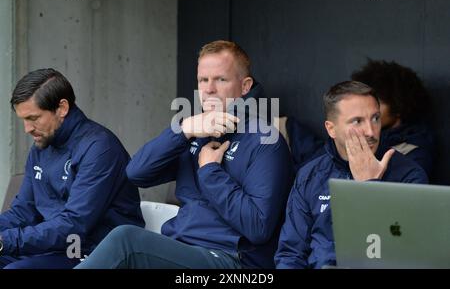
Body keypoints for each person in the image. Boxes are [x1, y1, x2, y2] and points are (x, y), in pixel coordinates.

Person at [76, 40, 294, 269]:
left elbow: (258, 227)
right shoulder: (194, 131)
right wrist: (184, 129)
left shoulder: (265, 140)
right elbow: (136, 173)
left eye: (221, 79)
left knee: (126, 241)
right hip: (181, 247)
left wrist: (210, 172)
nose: (209, 89)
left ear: (245, 85)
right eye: (203, 80)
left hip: (233, 260)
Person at [275, 81, 428, 269]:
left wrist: (369, 187)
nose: (371, 131)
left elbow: (404, 252)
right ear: (331, 129)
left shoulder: (408, 174)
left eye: (375, 118)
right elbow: (291, 253)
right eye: (357, 121)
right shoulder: (311, 175)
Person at [0, 69, 144, 269]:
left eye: (33, 118)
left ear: (62, 108)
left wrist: (6, 241)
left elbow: (74, 225)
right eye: (23, 120)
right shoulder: (41, 146)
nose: (27, 129)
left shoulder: (100, 148)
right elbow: (23, 211)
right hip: (54, 248)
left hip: (92, 251)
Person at [351, 59, 435, 178]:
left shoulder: (415, 154)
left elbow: (400, 195)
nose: (366, 109)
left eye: (377, 102)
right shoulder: (358, 138)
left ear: (398, 106)